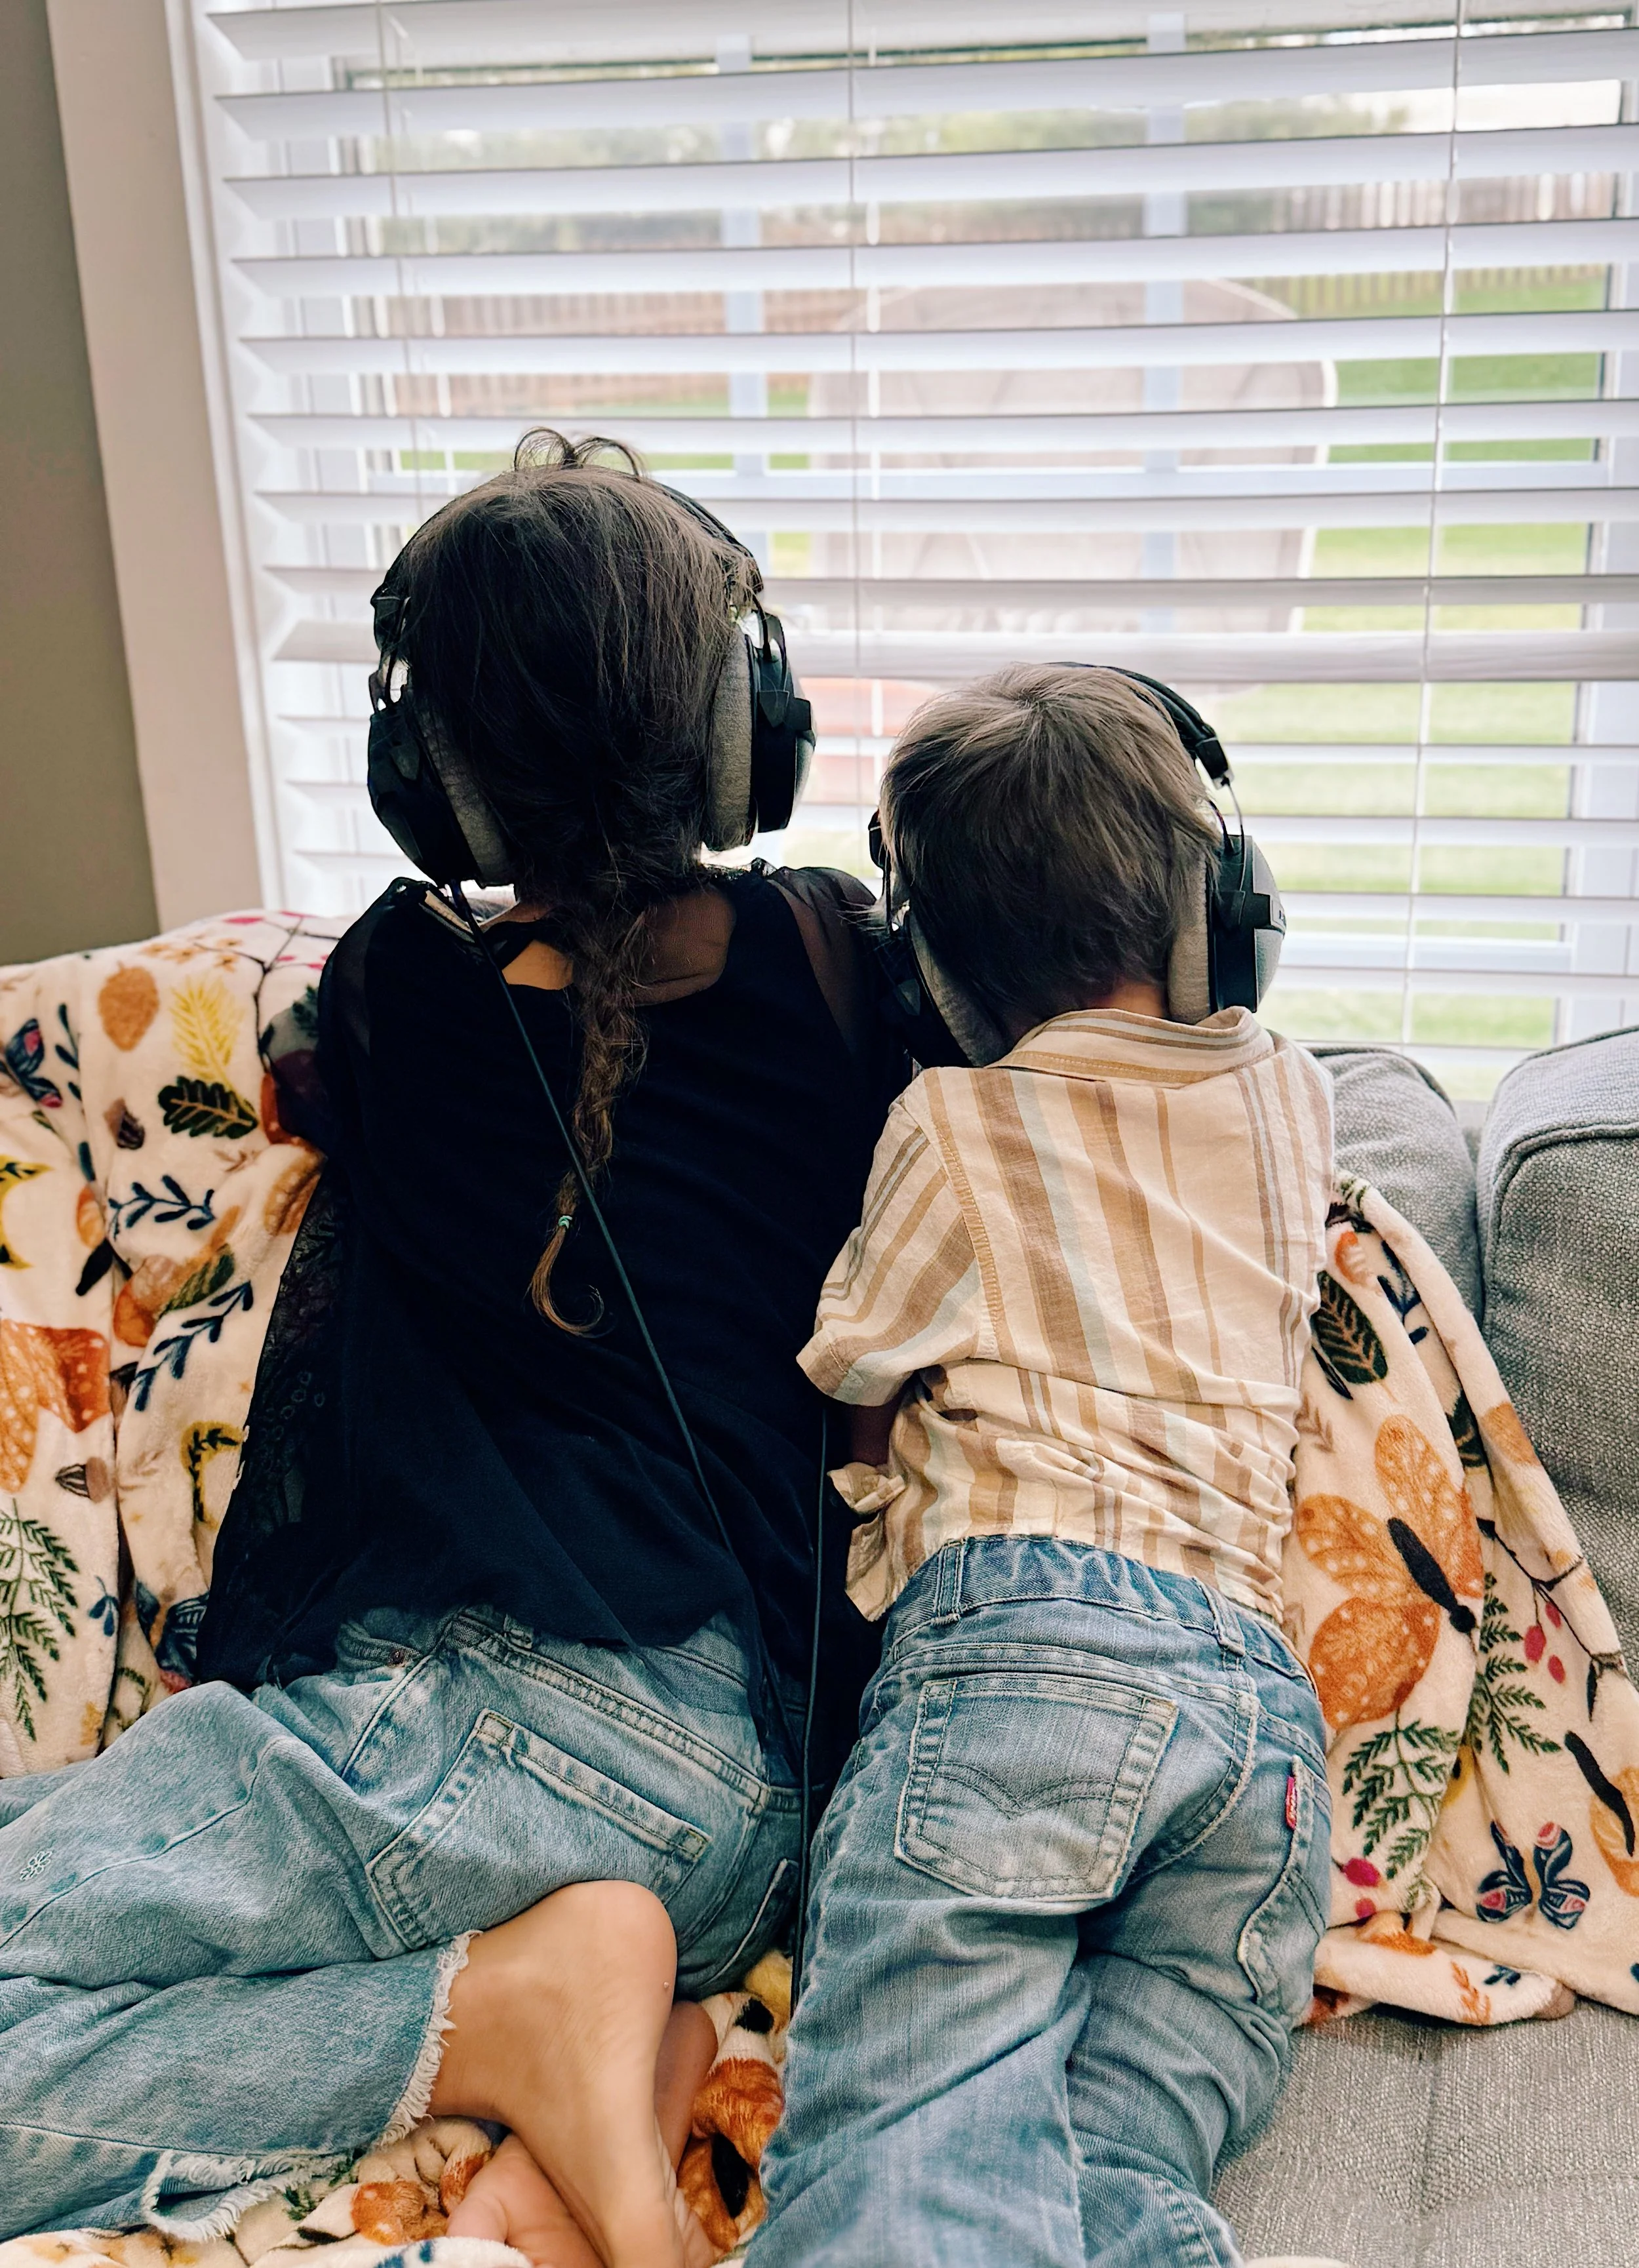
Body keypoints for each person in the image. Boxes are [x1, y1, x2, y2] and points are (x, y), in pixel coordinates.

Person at [0, 434, 894, 2266]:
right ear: (745, 731)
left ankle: (504, 2015)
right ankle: (577, 2039)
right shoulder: (833, 968)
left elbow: (311, 1077)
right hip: (738, 1807)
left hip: (485, 1729)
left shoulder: (408, 986)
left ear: (435, 787)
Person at [751, 666, 1336, 2268]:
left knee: (903, 2165)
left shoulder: (946, 1121)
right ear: (1215, 902)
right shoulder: (1293, 1097)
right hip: (1262, 1747)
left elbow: (855, 1370)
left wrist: (878, 1484)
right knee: (1102, 2173)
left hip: (1026, 1658)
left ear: (929, 973)